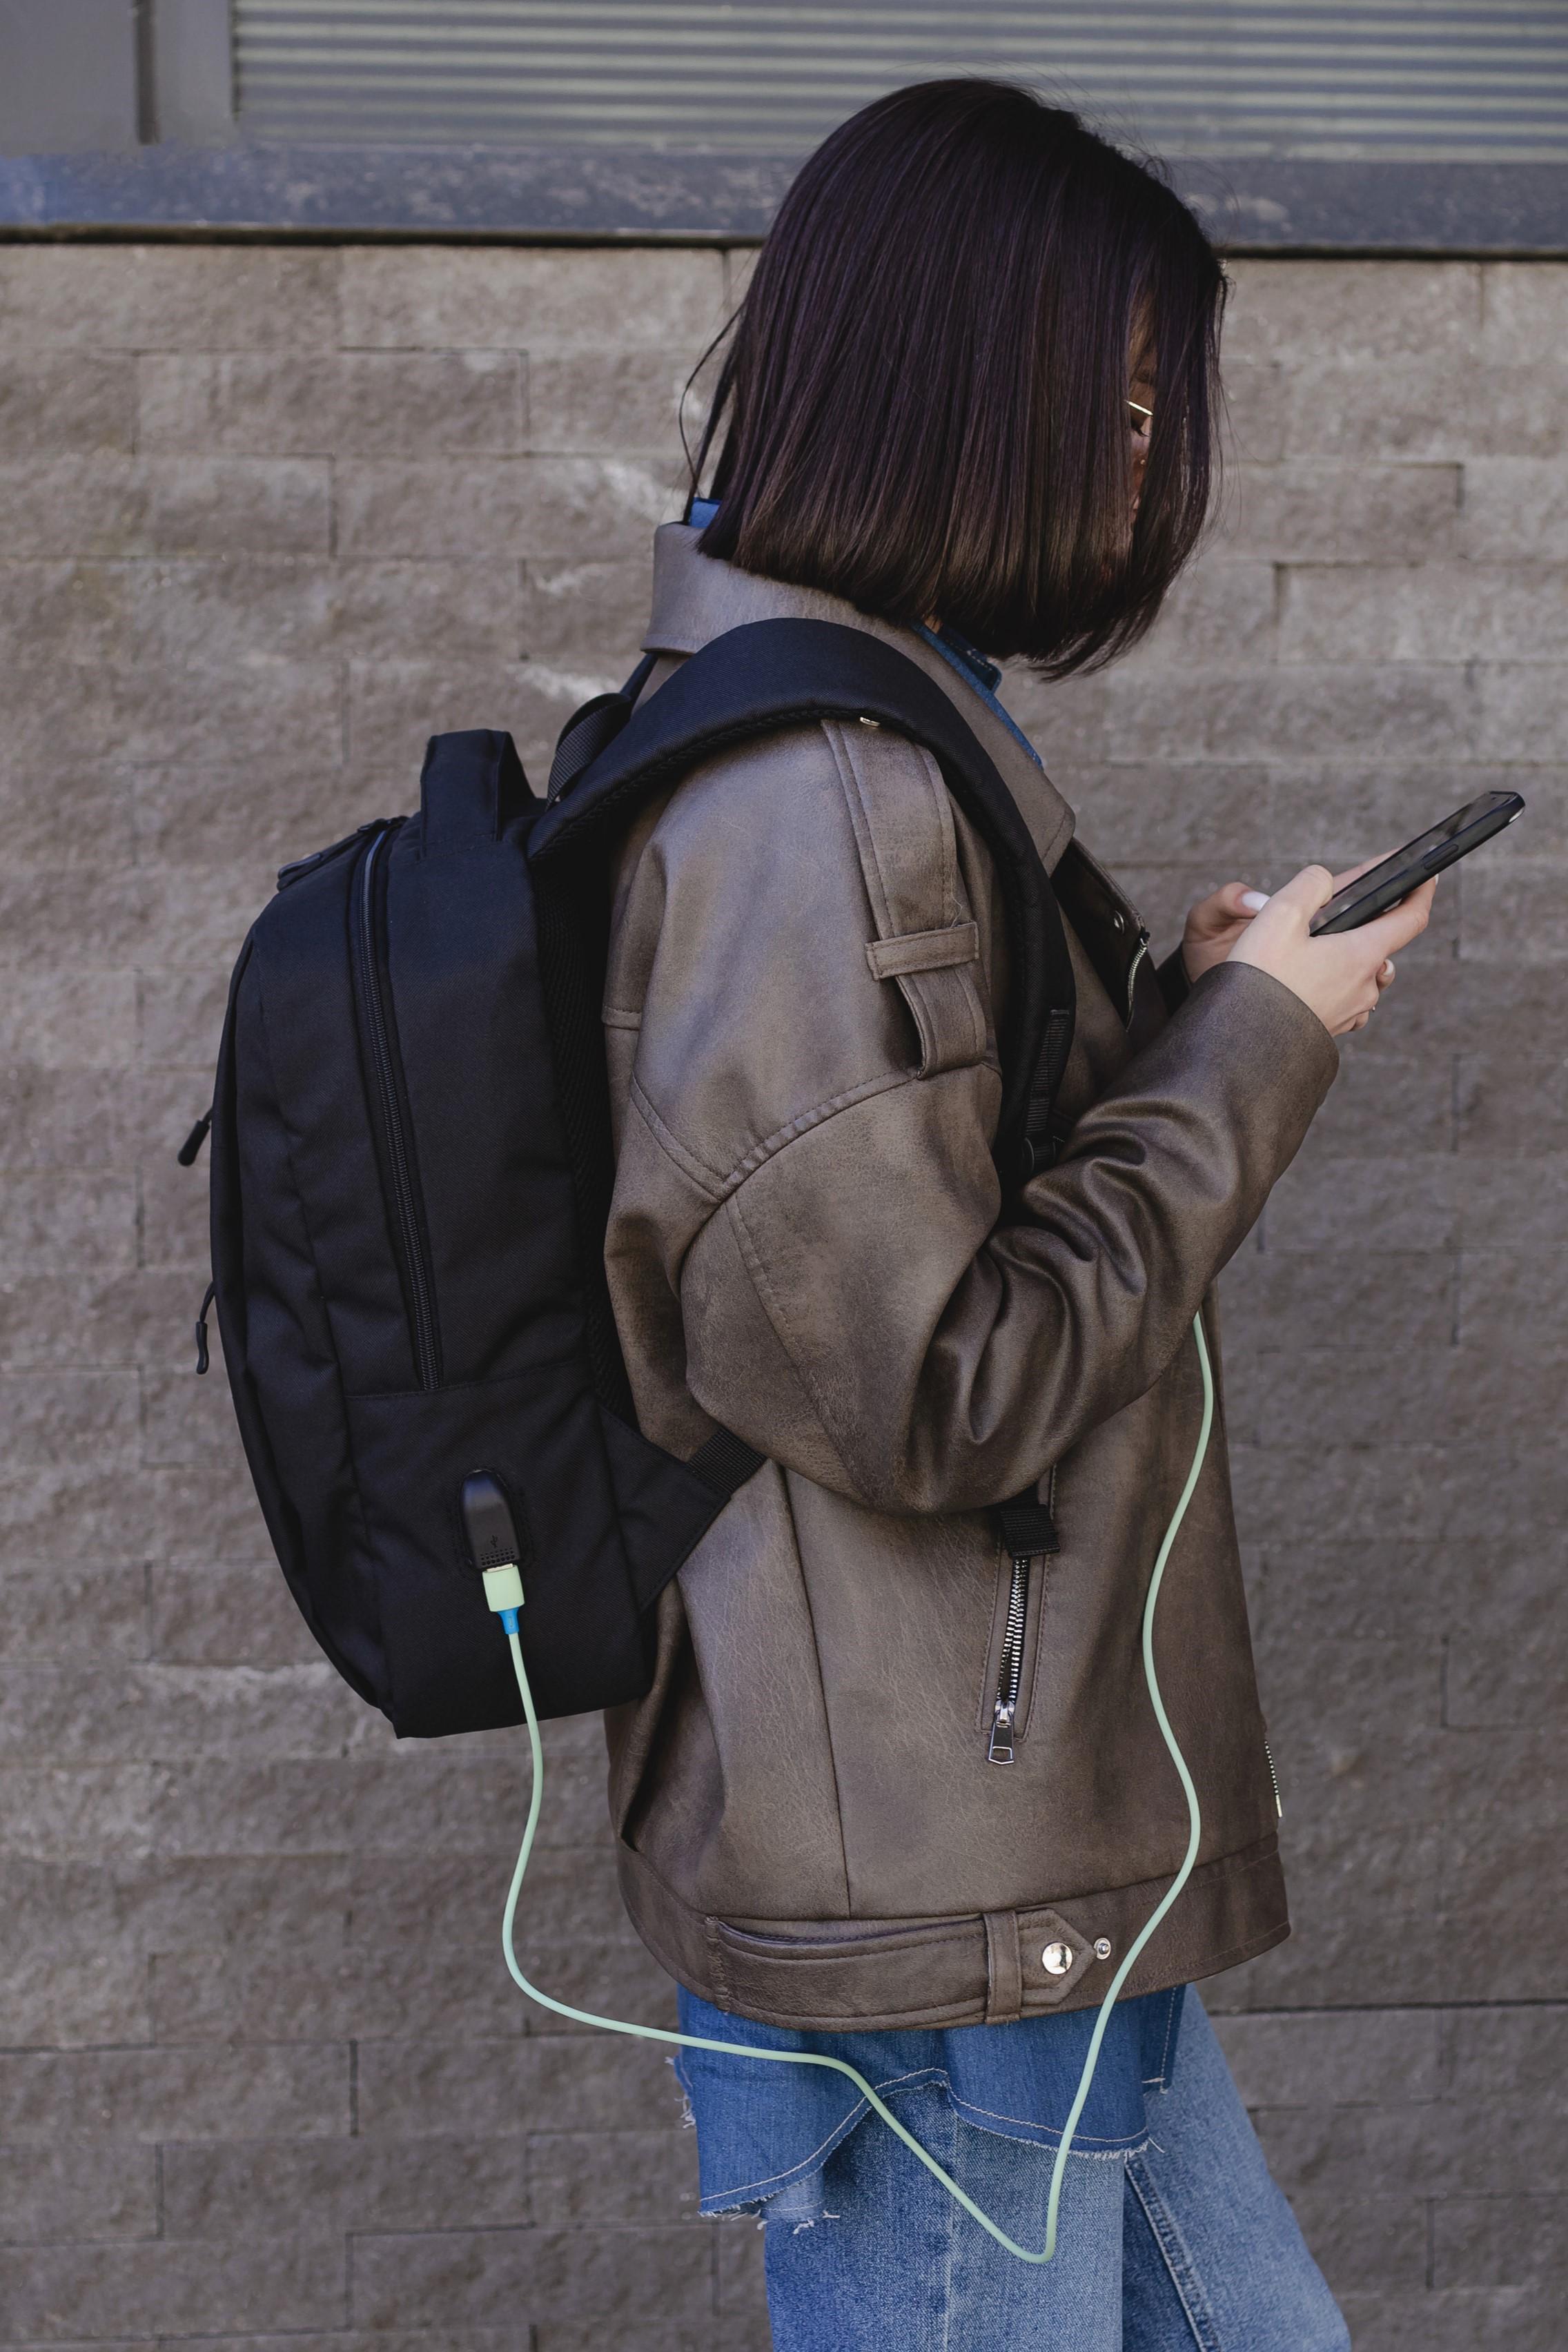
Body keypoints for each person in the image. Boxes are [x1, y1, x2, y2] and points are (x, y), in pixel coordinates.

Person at [595, 79, 1431, 2349]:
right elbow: (935, 1389)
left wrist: (1186, 1017)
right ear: (979, 383)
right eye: (1132, 400)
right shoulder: (808, 793)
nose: (1156, 461)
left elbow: (907, 1221)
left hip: (1006, 1846)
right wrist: (1261, 1056)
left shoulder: (873, 724)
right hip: (929, 1891)